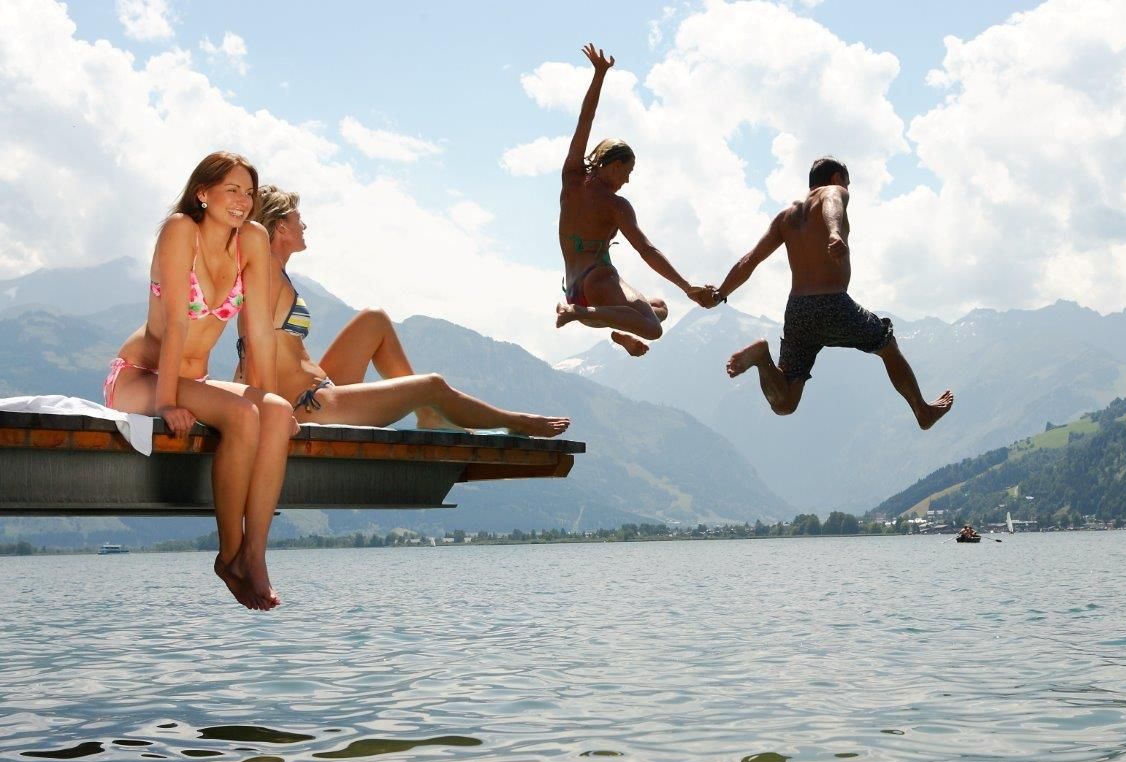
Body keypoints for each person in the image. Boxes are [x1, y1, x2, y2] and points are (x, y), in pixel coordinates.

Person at [105, 152, 296, 611]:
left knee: (275, 413)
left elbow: (259, 333)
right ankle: (229, 556)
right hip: (142, 376)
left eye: (248, 192)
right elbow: (175, 322)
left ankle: (254, 555)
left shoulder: (252, 240)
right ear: (202, 193)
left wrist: (271, 397)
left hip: (194, 377)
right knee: (242, 415)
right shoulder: (180, 231)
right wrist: (167, 402)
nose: (242, 201)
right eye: (231, 190)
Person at [239, 185, 571, 437]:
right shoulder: (265, 273)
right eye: (298, 219)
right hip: (309, 406)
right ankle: (515, 421)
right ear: (281, 228)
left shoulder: (277, 273)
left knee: (374, 319)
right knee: (432, 385)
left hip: (319, 391)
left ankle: (428, 414)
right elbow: (251, 345)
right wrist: (261, 408)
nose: (305, 225)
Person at [714, 156, 953, 428]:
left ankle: (762, 359)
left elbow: (750, 260)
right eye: (847, 183)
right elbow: (832, 202)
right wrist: (834, 232)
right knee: (887, 344)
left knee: (785, 403)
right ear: (837, 178)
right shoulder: (833, 191)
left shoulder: (784, 217)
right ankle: (922, 411)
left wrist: (720, 293)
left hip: (798, 311)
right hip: (832, 303)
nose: (847, 189)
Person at [554, 43, 718, 357]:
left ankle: (612, 328)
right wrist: (687, 287)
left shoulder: (571, 177)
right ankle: (580, 314)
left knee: (659, 308)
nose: (627, 180)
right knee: (653, 327)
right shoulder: (617, 206)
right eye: (627, 172)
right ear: (613, 165)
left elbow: (584, 121)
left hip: (574, 288)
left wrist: (599, 75)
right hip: (598, 281)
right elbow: (646, 250)